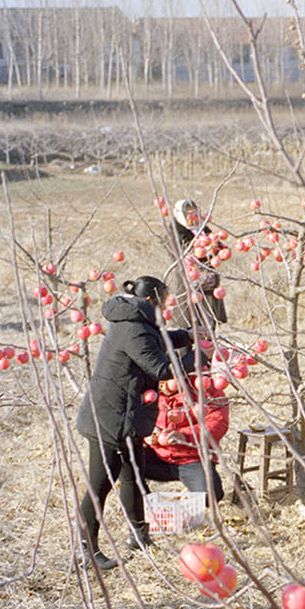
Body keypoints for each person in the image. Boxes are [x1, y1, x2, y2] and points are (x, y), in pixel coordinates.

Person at [76, 276, 193, 569]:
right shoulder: (133, 329)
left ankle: (139, 536)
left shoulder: (137, 322)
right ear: (152, 300)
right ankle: (87, 551)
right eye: (165, 301)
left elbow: (158, 338)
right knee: (100, 485)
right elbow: (161, 367)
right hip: (109, 418)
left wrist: (189, 336)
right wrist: (196, 357)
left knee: (135, 475)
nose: (167, 308)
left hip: (124, 416)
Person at [141, 374, 229, 512]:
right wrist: (145, 435)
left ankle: (194, 492)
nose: (163, 386)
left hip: (193, 458)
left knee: (211, 495)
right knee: (124, 462)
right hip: (156, 454)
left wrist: (185, 435)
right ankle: (146, 503)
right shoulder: (147, 389)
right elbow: (131, 417)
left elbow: (217, 422)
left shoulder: (203, 387)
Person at [169, 198, 227, 327]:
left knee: (209, 320)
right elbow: (180, 254)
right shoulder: (175, 231)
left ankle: (209, 344)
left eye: (196, 213)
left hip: (208, 280)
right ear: (181, 216)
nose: (194, 217)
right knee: (190, 322)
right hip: (190, 279)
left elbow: (218, 247)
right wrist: (204, 249)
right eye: (190, 214)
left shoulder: (202, 227)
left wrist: (218, 248)